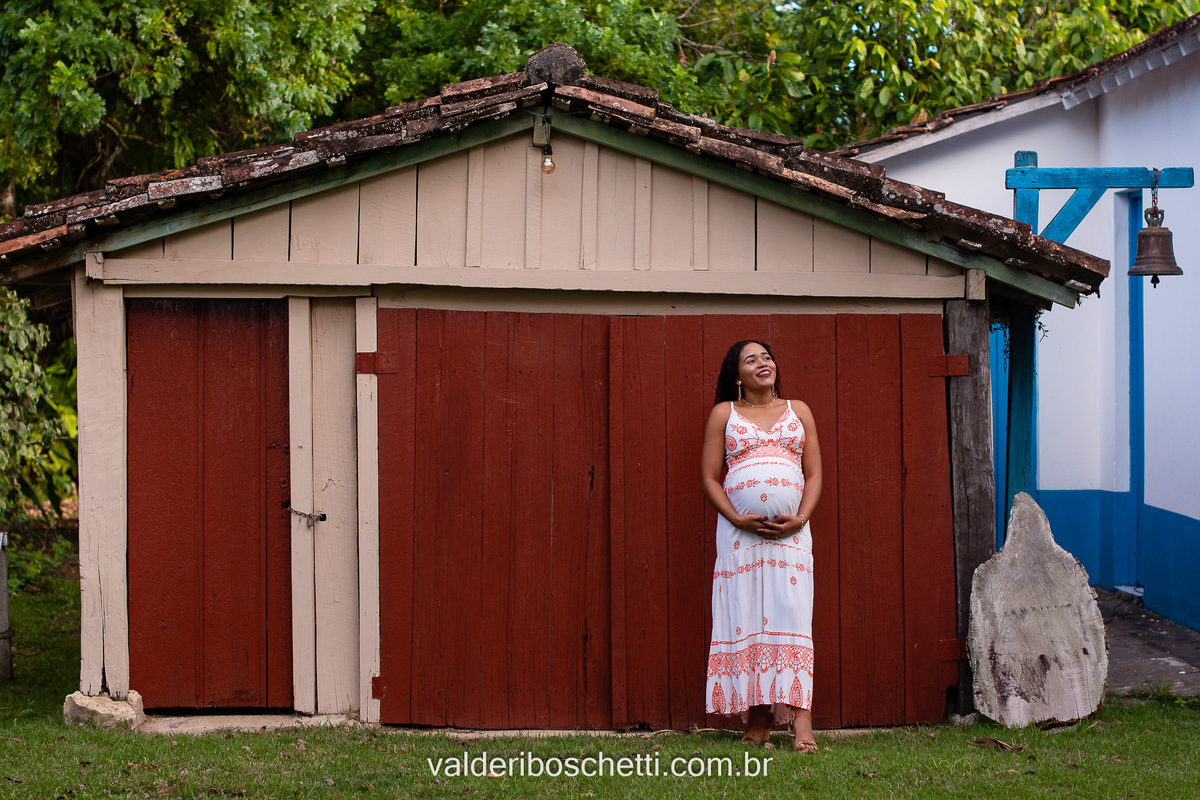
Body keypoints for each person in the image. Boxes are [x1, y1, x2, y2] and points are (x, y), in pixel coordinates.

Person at [701, 339, 823, 753]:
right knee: (747, 616)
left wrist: (800, 519)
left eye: (767, 356)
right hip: (740, 539)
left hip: (792, 536)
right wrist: (736, 518)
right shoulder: (724, 414)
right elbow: (710, 478)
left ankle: (800, 716)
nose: (762, 362)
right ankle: (759, 714)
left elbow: (815, 474)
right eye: (750, 359)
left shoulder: (799, 410)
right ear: (738, 375)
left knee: (792, 616)